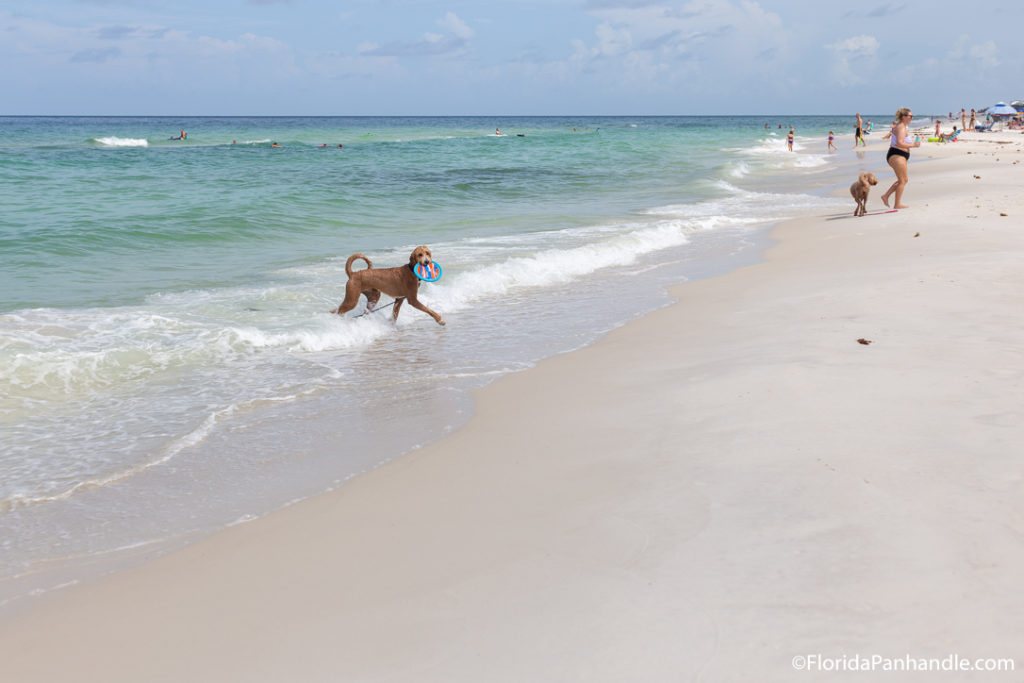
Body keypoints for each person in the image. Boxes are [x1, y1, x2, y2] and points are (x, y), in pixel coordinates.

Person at [879, 107, 921, 209]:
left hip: (899, 155)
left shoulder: (902, 127)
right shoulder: (901, 127)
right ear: (904, 117)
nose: (912, 118)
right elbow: (900, 143)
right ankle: (897, 204)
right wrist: (914, 145)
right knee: (902, 181)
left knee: (903, 180)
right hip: (897, 155)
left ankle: (885, 196)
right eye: (910, 116)